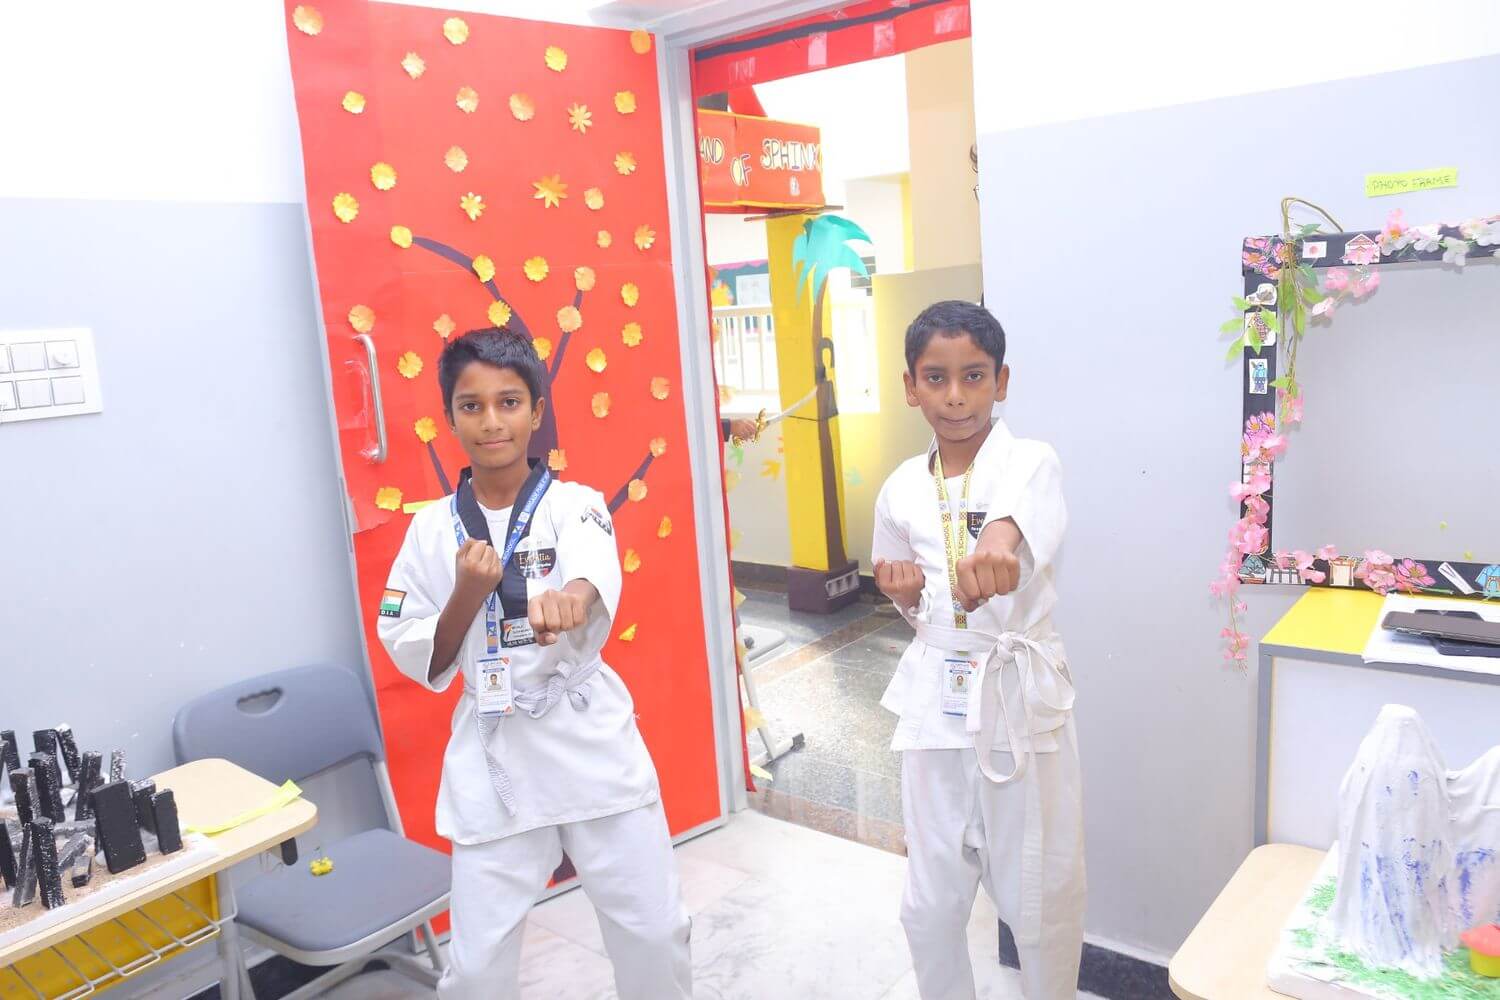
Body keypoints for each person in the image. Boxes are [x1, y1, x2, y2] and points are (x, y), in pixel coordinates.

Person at [378, 328, 691, 1000]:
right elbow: (413, 645)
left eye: (509, 402)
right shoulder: (428, 531)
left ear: (537, 410)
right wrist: (467, 593)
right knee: (476, 967)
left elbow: (590, 574)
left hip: (585, 735)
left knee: (655, 932)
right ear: (449, 417)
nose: (492, 422)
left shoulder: (575, 505)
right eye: (471, 406)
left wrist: (570, 600)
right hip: (495, 748)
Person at [871, 300, 1084, 1000]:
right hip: (938, 693)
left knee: (1038, 890)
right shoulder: (901, 486)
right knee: (929, 901)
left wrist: (995, 547)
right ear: (911, 387)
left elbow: (1011, 524)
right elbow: (904, 587)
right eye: (936, 378)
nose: (956, 396)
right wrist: (901, 592)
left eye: (974, 376)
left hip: (1017, 695)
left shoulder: (1031, 460)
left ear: (1002, 381)